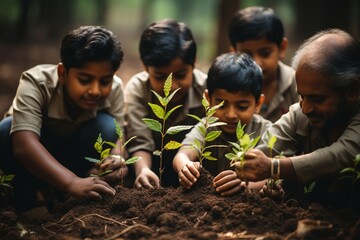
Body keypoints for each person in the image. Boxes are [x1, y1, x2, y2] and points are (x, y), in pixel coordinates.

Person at [0, 26, 128, 211]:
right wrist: (71, 182)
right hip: (34, 159)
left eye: (105, 81)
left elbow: (118, 135)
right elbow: (23, 145)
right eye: (84, 80)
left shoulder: (115, 88)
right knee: (6, 131)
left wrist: (116, 159)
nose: (95, 90)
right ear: (63, 73)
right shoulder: (36, 82)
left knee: (108, 127)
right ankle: (26, 195)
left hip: (75, 154)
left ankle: (65, 193)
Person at [237, 28, 360, 207]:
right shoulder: (299, 115)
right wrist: (239, 176)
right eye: (302, 96)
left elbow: (341, 155)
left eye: (318, 99)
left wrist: (274, 168)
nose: (306, 108)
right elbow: (265, 152)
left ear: (353, 90)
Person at [173, 53, 271, 196]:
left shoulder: (265, 131)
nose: (231, 115)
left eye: (242, 106)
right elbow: (183, 153)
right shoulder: (207, 127)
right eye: (222, 105)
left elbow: (275, 176)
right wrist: (185, 166)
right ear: (208, 99)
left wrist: (245, 186)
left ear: (258, 104)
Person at [124, 19, 207, 188]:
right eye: (160, 77)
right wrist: (143, 170)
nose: (172, 86)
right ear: (145, 67)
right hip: (151, 169)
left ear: (194, 63)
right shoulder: (138, 89)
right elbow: (139, 140)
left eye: (181, 74)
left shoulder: (206, 91)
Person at [228, 6, 299, 122]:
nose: (256, 62)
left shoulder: (297, 83)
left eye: (265, 53)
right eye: (247, 55)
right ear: (234, 53)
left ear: (282, 48)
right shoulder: (226, 85)